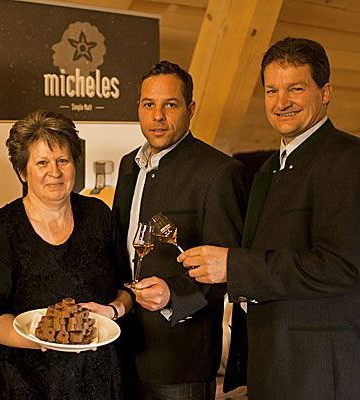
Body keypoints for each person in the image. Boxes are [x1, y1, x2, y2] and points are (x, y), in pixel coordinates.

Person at [179, 37, 360, 400]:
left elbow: (341, 266)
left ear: (325, 92)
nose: (281, 103)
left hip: (319, 372)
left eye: (296, 88)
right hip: (269, 366)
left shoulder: (349, 159)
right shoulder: (266, 171)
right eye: (272, 90)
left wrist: (233, 264)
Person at [0, 109, 132, 400]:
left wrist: (113, 310)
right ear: (22, 171)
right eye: (42, 162)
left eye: (63, 160)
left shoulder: (99, 215)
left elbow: (126, 289)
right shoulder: (0, 228)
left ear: (74, 164)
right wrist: (40, 339)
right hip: (23, 382)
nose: (55, 172)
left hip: (97, 378)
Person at [111, 60, 246, 400]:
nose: (157, 116)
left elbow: (228, 270)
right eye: (148, 105)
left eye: (170, 105)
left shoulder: (219, 172)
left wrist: (174, 295)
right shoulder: (129, 165)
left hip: (180, 360)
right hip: (121, 345)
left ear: (191, 109)